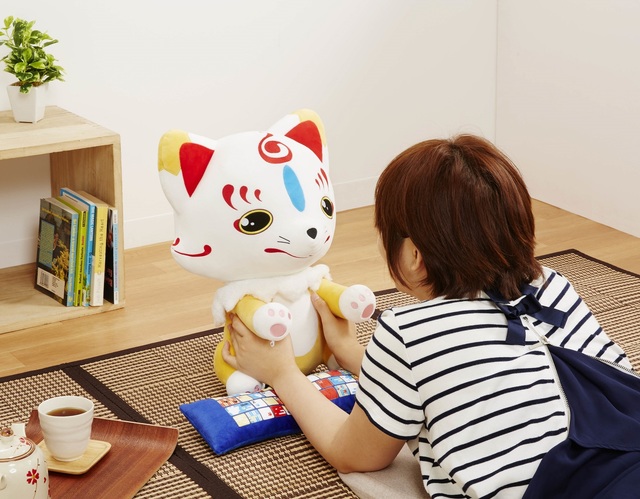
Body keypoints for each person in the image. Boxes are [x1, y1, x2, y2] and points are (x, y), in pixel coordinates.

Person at [222, 134, 640, 498]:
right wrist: (350, 352)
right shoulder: (553, 286)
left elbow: (354, 454)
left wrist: (281, 373)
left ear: (413, 254)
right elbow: (464, 379)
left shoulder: (407, 331)